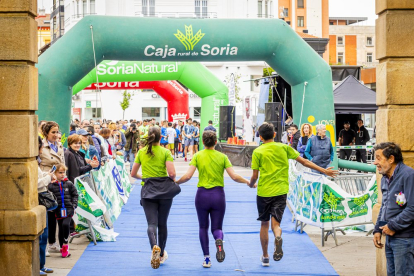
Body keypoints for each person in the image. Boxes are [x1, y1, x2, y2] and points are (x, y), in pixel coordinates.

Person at [249, 122, 337, 267]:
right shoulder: (284, 148)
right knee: (276, 224)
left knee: (264, 224)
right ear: (275, 135)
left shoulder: (258, 152)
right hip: (281, 191)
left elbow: (254, 176)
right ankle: (278, 236)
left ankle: (265, 256)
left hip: (264, 192)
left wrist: (251, 184)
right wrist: (324, 170)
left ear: (261, 137)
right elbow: (305, 162)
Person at [176, 131, 250, 268]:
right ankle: (219, 239)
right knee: (217, 227)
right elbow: (234, 176)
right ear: (216, 142)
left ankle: (207, 259)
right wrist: (247, 181)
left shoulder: (197, 156)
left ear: (203, 142)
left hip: (202, 195)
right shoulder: (222, 157)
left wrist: (176, 183)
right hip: (218, 195)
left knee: (203, 227)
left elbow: (187, 176)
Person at [130, 127, 176, 269]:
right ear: (160, 137)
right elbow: (172, 173)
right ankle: (161, 253)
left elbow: (133, 173)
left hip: (147, 190)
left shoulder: (141, 152)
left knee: (151, 224)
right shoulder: (165, 152)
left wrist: (146, 178)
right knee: (163, 224)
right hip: (164, 191)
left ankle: (153, 247)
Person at [372, 142, 414, 276]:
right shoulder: (385, 178)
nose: (375, 162)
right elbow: (384, 206)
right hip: (389, 237)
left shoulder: (409, 175)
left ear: (391, 159)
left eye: (378, 158)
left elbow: (412, 208)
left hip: (405, 239)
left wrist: (392, 225)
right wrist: (378, 229)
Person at [39, 121, 65, 254]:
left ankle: (57, 242)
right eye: (53, 132)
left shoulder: (59, 145)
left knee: (59, 212)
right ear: (46, 133)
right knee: (48, 213)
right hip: (46, 182)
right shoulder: (41, 147)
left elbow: (63, 164)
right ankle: (48, 243)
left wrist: (64, 179)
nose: (56, 135)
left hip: (58, 181)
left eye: (57, 132)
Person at [48, 164, 78, 258]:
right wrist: (52, 207)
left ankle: (65, 243)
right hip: (58, 210)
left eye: (63, 172)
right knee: (61, 228)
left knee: (66, 225)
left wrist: (74, 205)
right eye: (59, 172)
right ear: (55, 173)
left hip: (68, 209)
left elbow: (75, 194)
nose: (62, 174)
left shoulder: (69, 184)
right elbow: (49, 197)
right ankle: (62, 247)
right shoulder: (51, 186)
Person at [37, 136, 54, 275]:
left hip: (42, 201)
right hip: (39, 199)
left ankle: (41, 265)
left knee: (44, 236)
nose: (43, 149)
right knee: (42, 236)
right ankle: (38, 266)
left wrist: (46, 174)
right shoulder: (32, 162)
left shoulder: (35, 162)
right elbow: (36, 183)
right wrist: (48, 177)